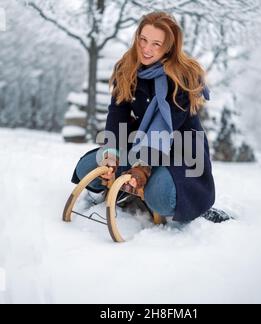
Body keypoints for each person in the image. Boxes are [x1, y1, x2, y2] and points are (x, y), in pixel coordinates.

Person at [71, 11, 216, 222]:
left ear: (169, 47)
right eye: (143, 40)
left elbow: (165, 126)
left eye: (156, 44)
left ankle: (183, 203)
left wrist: (143, 165)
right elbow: (118, 112)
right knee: (87, 169)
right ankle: (126, 190)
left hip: (179, 150)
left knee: (163, 197)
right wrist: (112, 152)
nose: (147, 49)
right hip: (139, 141)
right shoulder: (127, 66)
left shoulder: (185, 76)